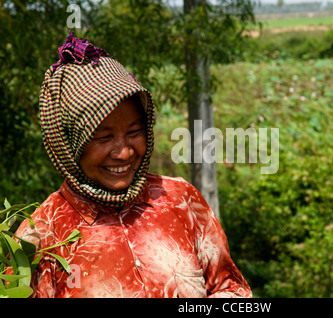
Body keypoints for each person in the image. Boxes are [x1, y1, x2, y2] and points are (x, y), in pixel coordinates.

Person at [13, 31, 251, 298]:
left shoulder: (181, 201)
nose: (125, 152)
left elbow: (228, 288)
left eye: (134, 132)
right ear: (69, 144)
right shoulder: (41, 238)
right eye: (104, 137)